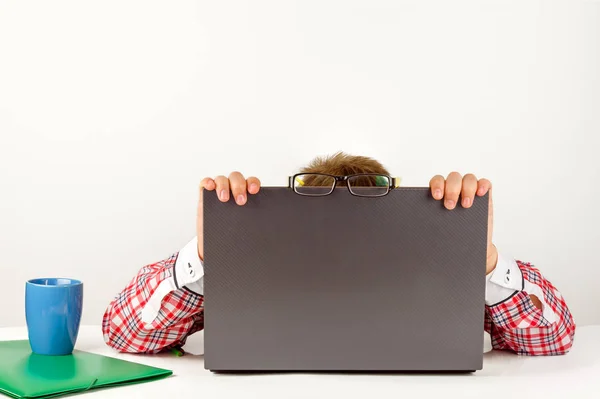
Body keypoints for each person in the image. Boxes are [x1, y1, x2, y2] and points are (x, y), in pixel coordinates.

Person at [102, 152, 576, 356]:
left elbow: (553, 338)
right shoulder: (259, 268)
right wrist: (209, 256)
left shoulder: (433, 271)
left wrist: (482, 257)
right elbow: (124, 334)